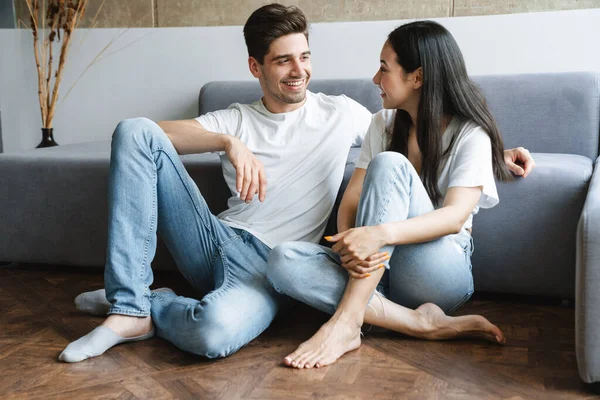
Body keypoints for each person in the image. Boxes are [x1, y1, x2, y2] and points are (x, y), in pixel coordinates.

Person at [59, 6, 535, 363]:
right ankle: (130, 304)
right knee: (131, 128)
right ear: (256, 67)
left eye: (304, 57)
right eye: (283, 61)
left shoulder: (342, 112)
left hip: (289, 266)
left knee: (213, 331)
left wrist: (497, 151)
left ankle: (151, 305)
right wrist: (226, 141)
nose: (298, 70)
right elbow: (146, 139)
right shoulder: (235, 117)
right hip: (217, 242)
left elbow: (432, 129)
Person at [266, 20, 531, 369]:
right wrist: (348, 242)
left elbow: (453, 218)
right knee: (282, 260)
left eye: (384, 68)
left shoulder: (470, 133)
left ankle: (346, 322)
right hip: (379, 270)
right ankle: (416, 322)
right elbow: (352, 197)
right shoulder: (383, 123)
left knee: (390, 164)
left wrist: (378, 233)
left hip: (439, 270)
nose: (376, 79)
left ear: (417, 77)